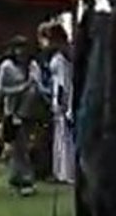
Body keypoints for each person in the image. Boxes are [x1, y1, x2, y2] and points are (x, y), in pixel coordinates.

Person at [0, 36, 39, 196]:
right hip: (13, 112)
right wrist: (20, 88)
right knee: (18, 147)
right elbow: (0, 91)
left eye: (24, 48)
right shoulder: (6, 67)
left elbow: (36, 85)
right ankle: (23, 179)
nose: (21, 52)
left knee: (25, 146)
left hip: (29, 110)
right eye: (18, 48)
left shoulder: (32, 66)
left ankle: (18, 178)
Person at [45, 22, 74, 183]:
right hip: (58, 93)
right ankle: (60, 171)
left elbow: (63, 80)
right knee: (61, 136)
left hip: (62, 95)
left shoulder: (62, 56)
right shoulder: (62, 54)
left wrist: (62, 101)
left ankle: (66, 172)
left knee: (64, 136)